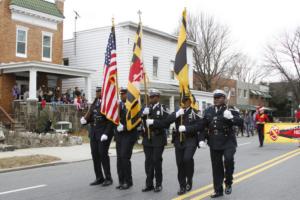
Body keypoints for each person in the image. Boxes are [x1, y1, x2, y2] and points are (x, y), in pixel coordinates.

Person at [147, 94, 205, 195]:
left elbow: (200, 126)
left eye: (187, 100)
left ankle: (189, 178)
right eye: (183, 100)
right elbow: (166, 122)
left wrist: (187, 128)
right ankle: (182, 186)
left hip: (190, 140)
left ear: (191, 101)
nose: (185, 102)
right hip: (179, 141)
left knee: (187, 159)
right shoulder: (178, 112)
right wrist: (177, 114)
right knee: (180, 164)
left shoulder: (196, 112)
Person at [202, 89, 243, 198]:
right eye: (215, 97)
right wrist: (201, 139)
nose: (216, 99)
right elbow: (203, 126)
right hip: (214, 141)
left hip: (228, 140)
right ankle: (218, 190)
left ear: (224, 99)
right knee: (216, 167)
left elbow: (241, 122)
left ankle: (228, 182)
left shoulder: (230, 109)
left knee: (228, 160)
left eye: (219, 97)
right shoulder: (209, 110)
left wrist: (231, 117)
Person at [80, 87, 114, 186]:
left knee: (103, 154)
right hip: (94, 133)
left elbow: (110, 121)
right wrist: (85, 121)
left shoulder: (107, 104)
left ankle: (108, 178)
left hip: (103, 134)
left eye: (99, 91)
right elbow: (93, 118)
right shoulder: (95, 103)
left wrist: (106, 133)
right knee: (95, 155)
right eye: (96, 91)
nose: (97, 93)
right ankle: (99, 177)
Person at [141, 89, 169, 193]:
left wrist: (154, 122)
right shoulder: (146, 108)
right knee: (148, 161)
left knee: (156, 161)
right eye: (150, 97)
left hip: (158, 138)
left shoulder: (163, 108)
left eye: (153, 97)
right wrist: (143, 114)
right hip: (147, 138)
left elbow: (166, 123)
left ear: (158, 97)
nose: (151, 98)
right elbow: (140, 120)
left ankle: (158, 184)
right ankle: (149, 184)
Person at [115, 88, 139, 190]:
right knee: (119, 158)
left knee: (125, 157)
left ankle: (128, 181)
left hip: (129, 134)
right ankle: (121, 181)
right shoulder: (118, 106)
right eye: (121, 94)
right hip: (119, 135)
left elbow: (136, 120)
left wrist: (124, 127)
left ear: (128, 95)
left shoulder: (133, 105)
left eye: (124, 94)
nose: (122, 96)